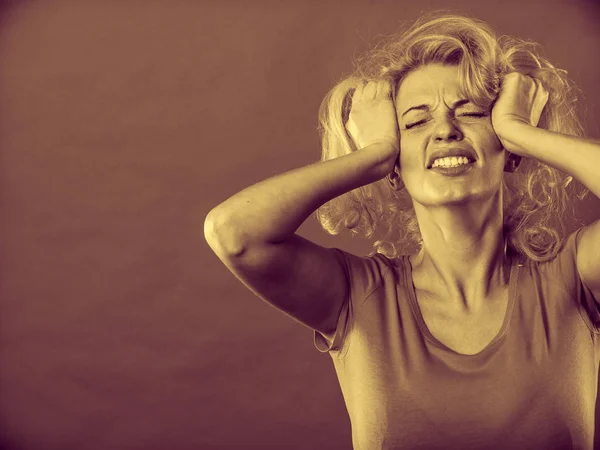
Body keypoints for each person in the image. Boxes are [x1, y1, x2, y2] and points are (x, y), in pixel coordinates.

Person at [204, 12, 600, 450]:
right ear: (395, 165)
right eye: (415, 122)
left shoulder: (573, 280)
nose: (446, 130)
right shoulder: (358, 295)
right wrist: (374, 155)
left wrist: (521, 133)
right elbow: (234, 232)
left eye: (470, 112)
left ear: (508, 152)